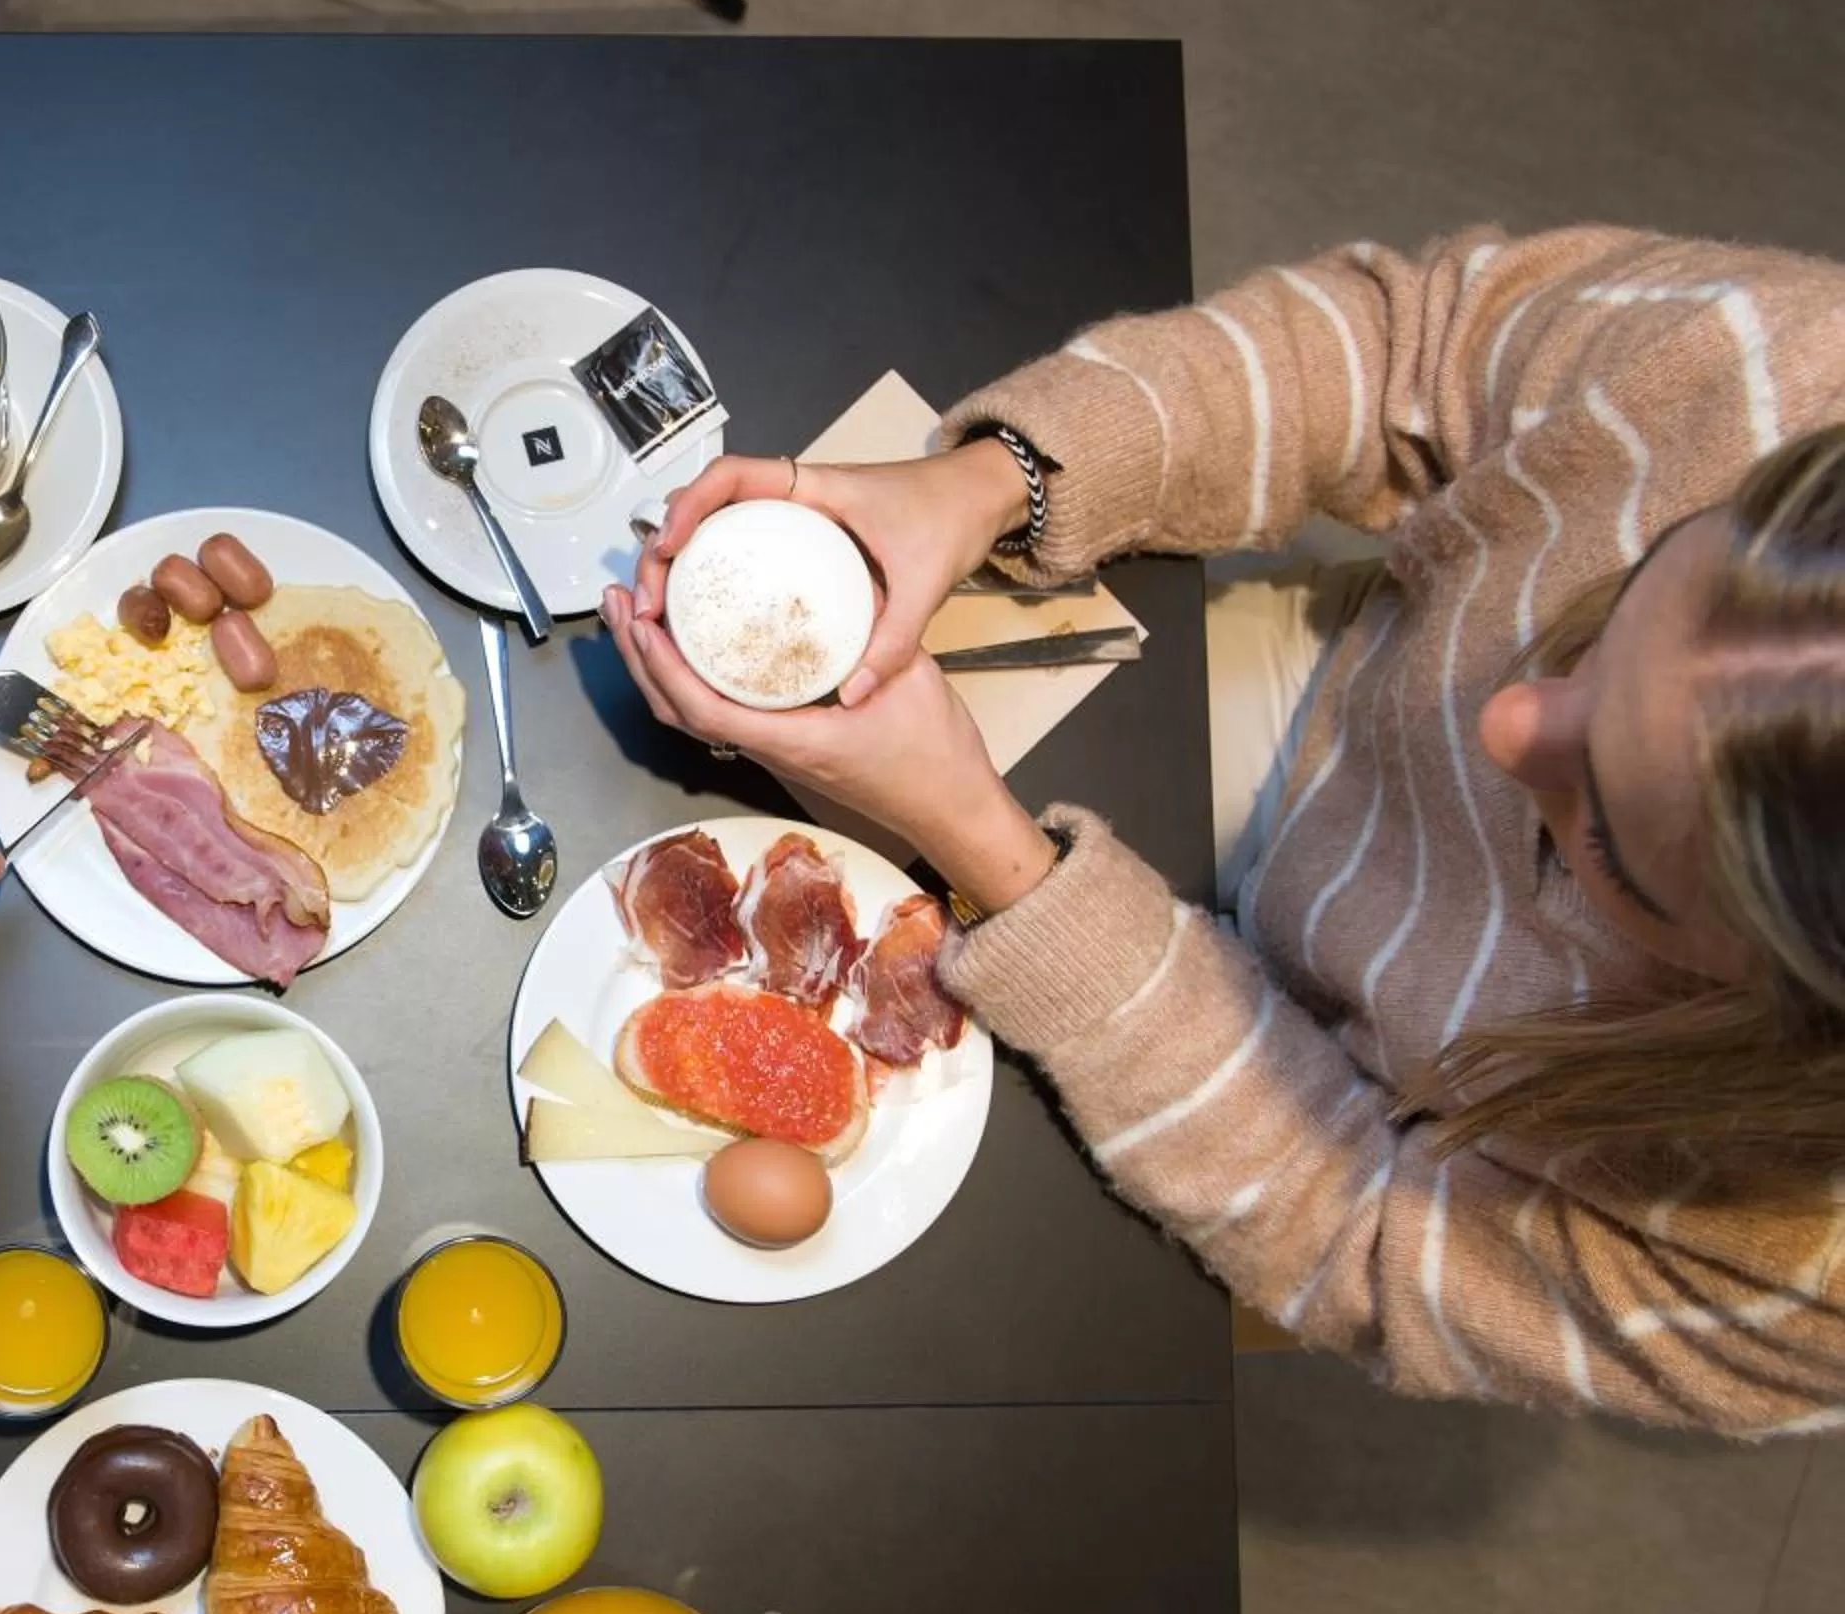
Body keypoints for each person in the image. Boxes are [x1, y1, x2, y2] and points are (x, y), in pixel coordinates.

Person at [605, 226, 1845, 1436]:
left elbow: (1354, 1231)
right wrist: (994, 481)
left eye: (1607, 843)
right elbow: (1399, 348)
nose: (1508, 725)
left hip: (1324, 1116)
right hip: (1337, 709)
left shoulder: (1798, 1272)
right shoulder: (1786, 369)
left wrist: (991, 850)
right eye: (1620, 613)